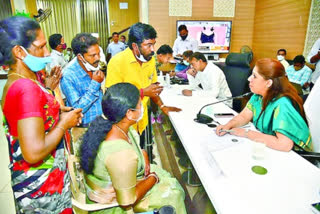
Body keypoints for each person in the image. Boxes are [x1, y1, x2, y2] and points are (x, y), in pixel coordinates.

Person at [0, 16, 83, 213]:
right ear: (19, 51)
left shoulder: (23, 78)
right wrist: (64, 123)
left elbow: (30, 116)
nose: (47, 53)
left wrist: (51, 99)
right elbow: (33, 152)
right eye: (41, 47)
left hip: (46, 177)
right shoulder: (25, 88)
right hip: (40, 186)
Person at [80, 83, 187, 214]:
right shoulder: (121, 154)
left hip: (120, 184)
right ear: (129, 113)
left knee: (164, 176)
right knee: (173, 195)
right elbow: (127, 202)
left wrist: (143, 154)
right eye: (139, 105)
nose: (142, 107)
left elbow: (133, 145)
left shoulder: (113, 125)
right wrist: (153, 178)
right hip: (114, 207)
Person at [106, 22, 181, 149]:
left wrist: (162, 106)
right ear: (135, 46)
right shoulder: (117, 62)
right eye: (148, 45)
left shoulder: (150, 60)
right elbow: (111, 97)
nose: (152, 49)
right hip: (124, 124)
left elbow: (152, 88)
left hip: (142, 120)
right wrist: (142, 92)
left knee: (144, 150)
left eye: (153, 44)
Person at [216, 58, 312, 152]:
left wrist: (246, 133)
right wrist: (228, 125)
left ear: (268, 83)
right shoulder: (257, 96)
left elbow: (284, 145)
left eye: (254, 76)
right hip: (270, 145)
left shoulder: (283, 104)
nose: (249, 79)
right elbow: (244, 116)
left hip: (297, 156)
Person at [61, 33, 104, 127]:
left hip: (102, 120)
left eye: (98, 53)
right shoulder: (68, 76)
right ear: (80, 57)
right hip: (84, 126)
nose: (98, 58)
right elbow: (77, 108)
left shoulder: (93, 65)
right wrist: (95, 84)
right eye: (93, 55)